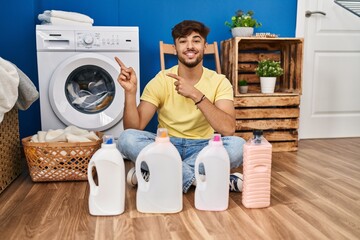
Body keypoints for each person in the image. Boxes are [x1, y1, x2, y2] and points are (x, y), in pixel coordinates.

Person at [115, 20, 245, 193]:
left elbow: (228, 130)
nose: (190, 46)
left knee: (239, 146)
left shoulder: (219, 82)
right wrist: (130, 93)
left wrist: (196, 95)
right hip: (165, 146)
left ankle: (156, 173)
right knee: (126, 139)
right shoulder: (161, 80)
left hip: (205, 147)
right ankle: (203, 180)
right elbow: (133, 128)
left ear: (205, 46)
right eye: (183, 41)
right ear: (175, 48)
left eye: (196, 40)